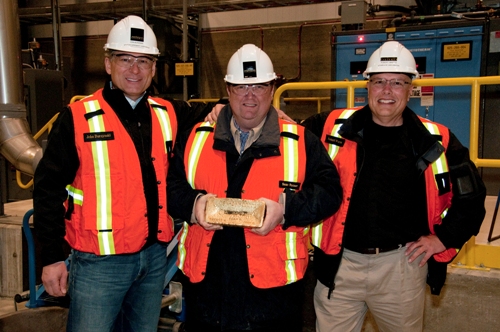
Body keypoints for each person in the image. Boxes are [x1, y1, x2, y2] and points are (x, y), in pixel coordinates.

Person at [33, 15, 222, 332]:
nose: (135, 70)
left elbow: (212, 112)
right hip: (99, 264)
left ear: (153, 68)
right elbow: (47, 190)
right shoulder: (78, 118)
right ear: (108, 64)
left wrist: (232, 106)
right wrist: (51, 258)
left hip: (152, 258)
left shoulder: (168, 112)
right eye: (125, 59)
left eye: (143, 61)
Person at [302, 41, 487, 332]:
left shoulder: (436, 140)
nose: (387, 91)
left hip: (400, 269)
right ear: (368, 86)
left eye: (398, 82)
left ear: (411, 88)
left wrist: (444, 238)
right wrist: (223, 109)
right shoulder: (331, 125)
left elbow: (473, 197)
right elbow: (285, 131)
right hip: (340, 264)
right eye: (379, 82)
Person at [167, 43, 343, 331]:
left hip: (273, 296)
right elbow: (170, 186)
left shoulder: (301, 142)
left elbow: (330, 193)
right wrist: (194, 205)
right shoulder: (195, 138)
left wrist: (285, 210)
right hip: (207, 292)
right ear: (227, 89)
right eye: (241, 87)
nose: (250, 96)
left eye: (259, 86)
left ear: (272, 89)